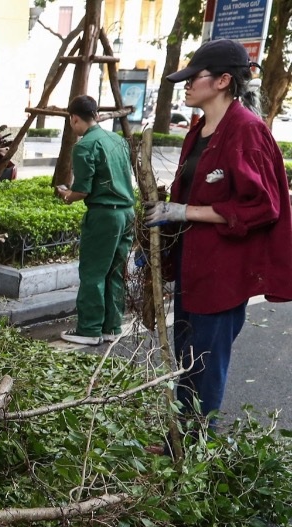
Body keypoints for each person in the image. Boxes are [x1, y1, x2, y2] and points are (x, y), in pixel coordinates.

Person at [143, 38, 292, 449]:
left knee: (205, 364)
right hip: (192, 267)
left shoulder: (246, 132)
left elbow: (264, 206)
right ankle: (180, 439)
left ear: (224, 81)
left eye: (194, 77)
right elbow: (189, 191)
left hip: (223, 275)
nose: (186, 85)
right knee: (187, 358)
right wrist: (161, 226)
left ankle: (195, 449)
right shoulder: (199, 130)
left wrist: (185, 212)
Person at [54, 95, 136, 347]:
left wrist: (67, 195)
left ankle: (89, 329)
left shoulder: (84, 146)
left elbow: (83, 191)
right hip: (127, 213)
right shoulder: (117, 140)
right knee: (115, 271)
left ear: (74, 118)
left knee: (93, 271)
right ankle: (111, 326)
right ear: (97, 114)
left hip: (104, 215)